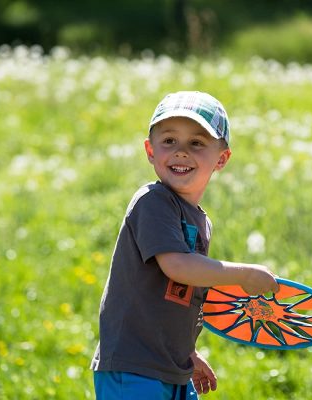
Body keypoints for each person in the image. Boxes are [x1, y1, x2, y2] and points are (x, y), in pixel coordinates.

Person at [90, 91, 279, 399]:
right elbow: (177, 267)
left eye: (196, 143)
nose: (180, 152)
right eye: (169, 141)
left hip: (168, 366)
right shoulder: (153, 202)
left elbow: (177, 299)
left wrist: (186, 353)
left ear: (221, 158)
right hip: (134, 366)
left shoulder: (200, 221)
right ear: (150, 150)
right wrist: (243, 275)